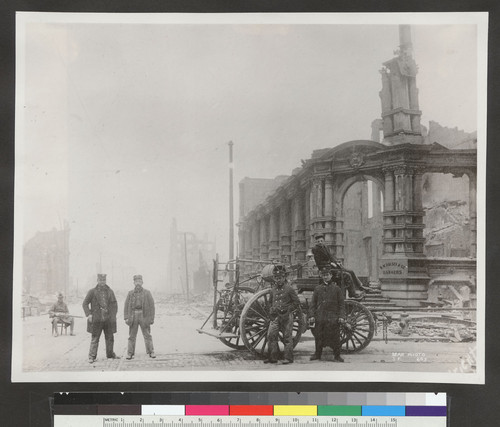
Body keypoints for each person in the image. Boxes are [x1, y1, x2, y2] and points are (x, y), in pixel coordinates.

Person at [263, 264, 300, 365]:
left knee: (287, 337)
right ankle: (273, 357)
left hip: (286, 316)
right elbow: (270, 302)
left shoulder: (289, 289)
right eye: (276, 278)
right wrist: (271, 311)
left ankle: (288, 358)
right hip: (275, 316)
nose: (278, 280)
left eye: (280, 278)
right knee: (271, 336)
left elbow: (296, 302)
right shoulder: (273, 289)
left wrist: (288, 310)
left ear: (284, 277)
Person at [311, 233, 366, 298]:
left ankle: (360, 286)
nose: (320, 242)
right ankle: (352, 293)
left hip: (332, 267)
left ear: (323, 241)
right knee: (347, 275)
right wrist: (330, 263)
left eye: (321, 241)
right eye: (318, 241)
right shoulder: (315, 249)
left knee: (351, 271)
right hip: (326, 270)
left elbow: (331, 257)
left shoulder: (325, 247)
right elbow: (319, 263)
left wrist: (337, 262)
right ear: (316, 242)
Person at [309, 267, 346, 362]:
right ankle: (317, 354)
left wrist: (341, 316)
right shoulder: (317, 289)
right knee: (319, 336)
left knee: (336, 337)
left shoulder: (337, 289)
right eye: (324, 275)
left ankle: (337, 355)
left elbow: (341, 304)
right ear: (321, 276)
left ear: (331, 276)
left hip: (333, 317)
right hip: (321, 316)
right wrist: (312, 315)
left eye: (327, 275)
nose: (325, 277)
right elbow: (313, 304)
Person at [82, 274, 119, 363]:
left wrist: (113, 316)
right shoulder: (92, 292)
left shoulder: (110, 291)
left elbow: (114, 305)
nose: (102, 282)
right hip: (97, 319)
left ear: (105, 281)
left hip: (108, 319)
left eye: (104, 280)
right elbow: (85, 304)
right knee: (95, 338)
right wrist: (89, 315)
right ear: (97, 280)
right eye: (100, 280)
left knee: (110, 337)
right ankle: (92, 356)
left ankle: (110, 354)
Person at [124, 275, 156, 359]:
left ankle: (151, 351)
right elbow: (126, 305)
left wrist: (152, 318)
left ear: (142, 282)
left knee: (147, 335)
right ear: (134, 283)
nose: (138, 283)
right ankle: (130, 353)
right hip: (133, 316)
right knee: (132, 336)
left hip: (144, 316)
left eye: (139, 281)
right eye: (136, 281)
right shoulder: (130, 293)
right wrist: (126, 317)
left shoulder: (147, 293)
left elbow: (152, 306)